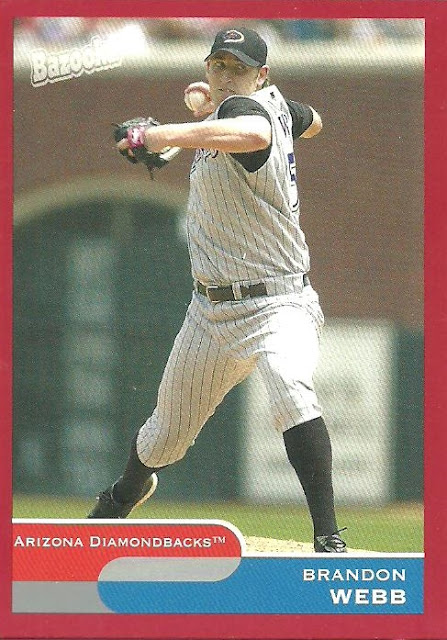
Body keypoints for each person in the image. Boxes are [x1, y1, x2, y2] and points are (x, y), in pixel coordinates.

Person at [88, 27, 347, 553]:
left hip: (279, 301)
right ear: (207, 67)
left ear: (261, 74)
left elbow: (251, 134)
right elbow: (315, 121)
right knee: (165, 436)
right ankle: (124, 493)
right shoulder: (262, 106)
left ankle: (328, 536)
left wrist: (159, 135)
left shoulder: (248, 115)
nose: (227, 76)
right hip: (210, 313)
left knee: (289, 387)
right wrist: (221, 110)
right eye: (219, 65)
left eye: (239, 68)